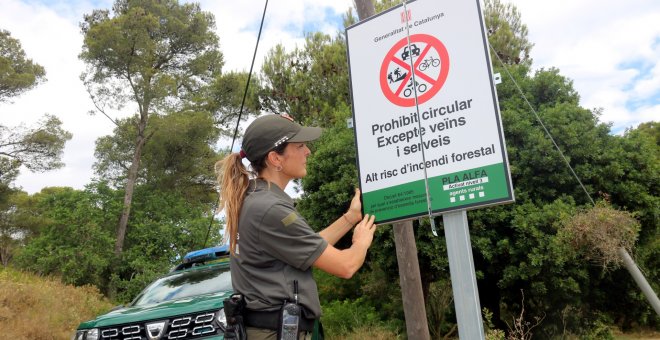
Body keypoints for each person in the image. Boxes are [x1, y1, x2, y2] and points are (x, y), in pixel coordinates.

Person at [215, 114, 377, 340]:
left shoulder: (255, 198)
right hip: (276, 333)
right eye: (299, 146)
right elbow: (346, 266)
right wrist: (360, 242)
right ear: (275, 158)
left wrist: (350, 218)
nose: (308, 151)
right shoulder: (270, 209)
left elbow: (308, 246)